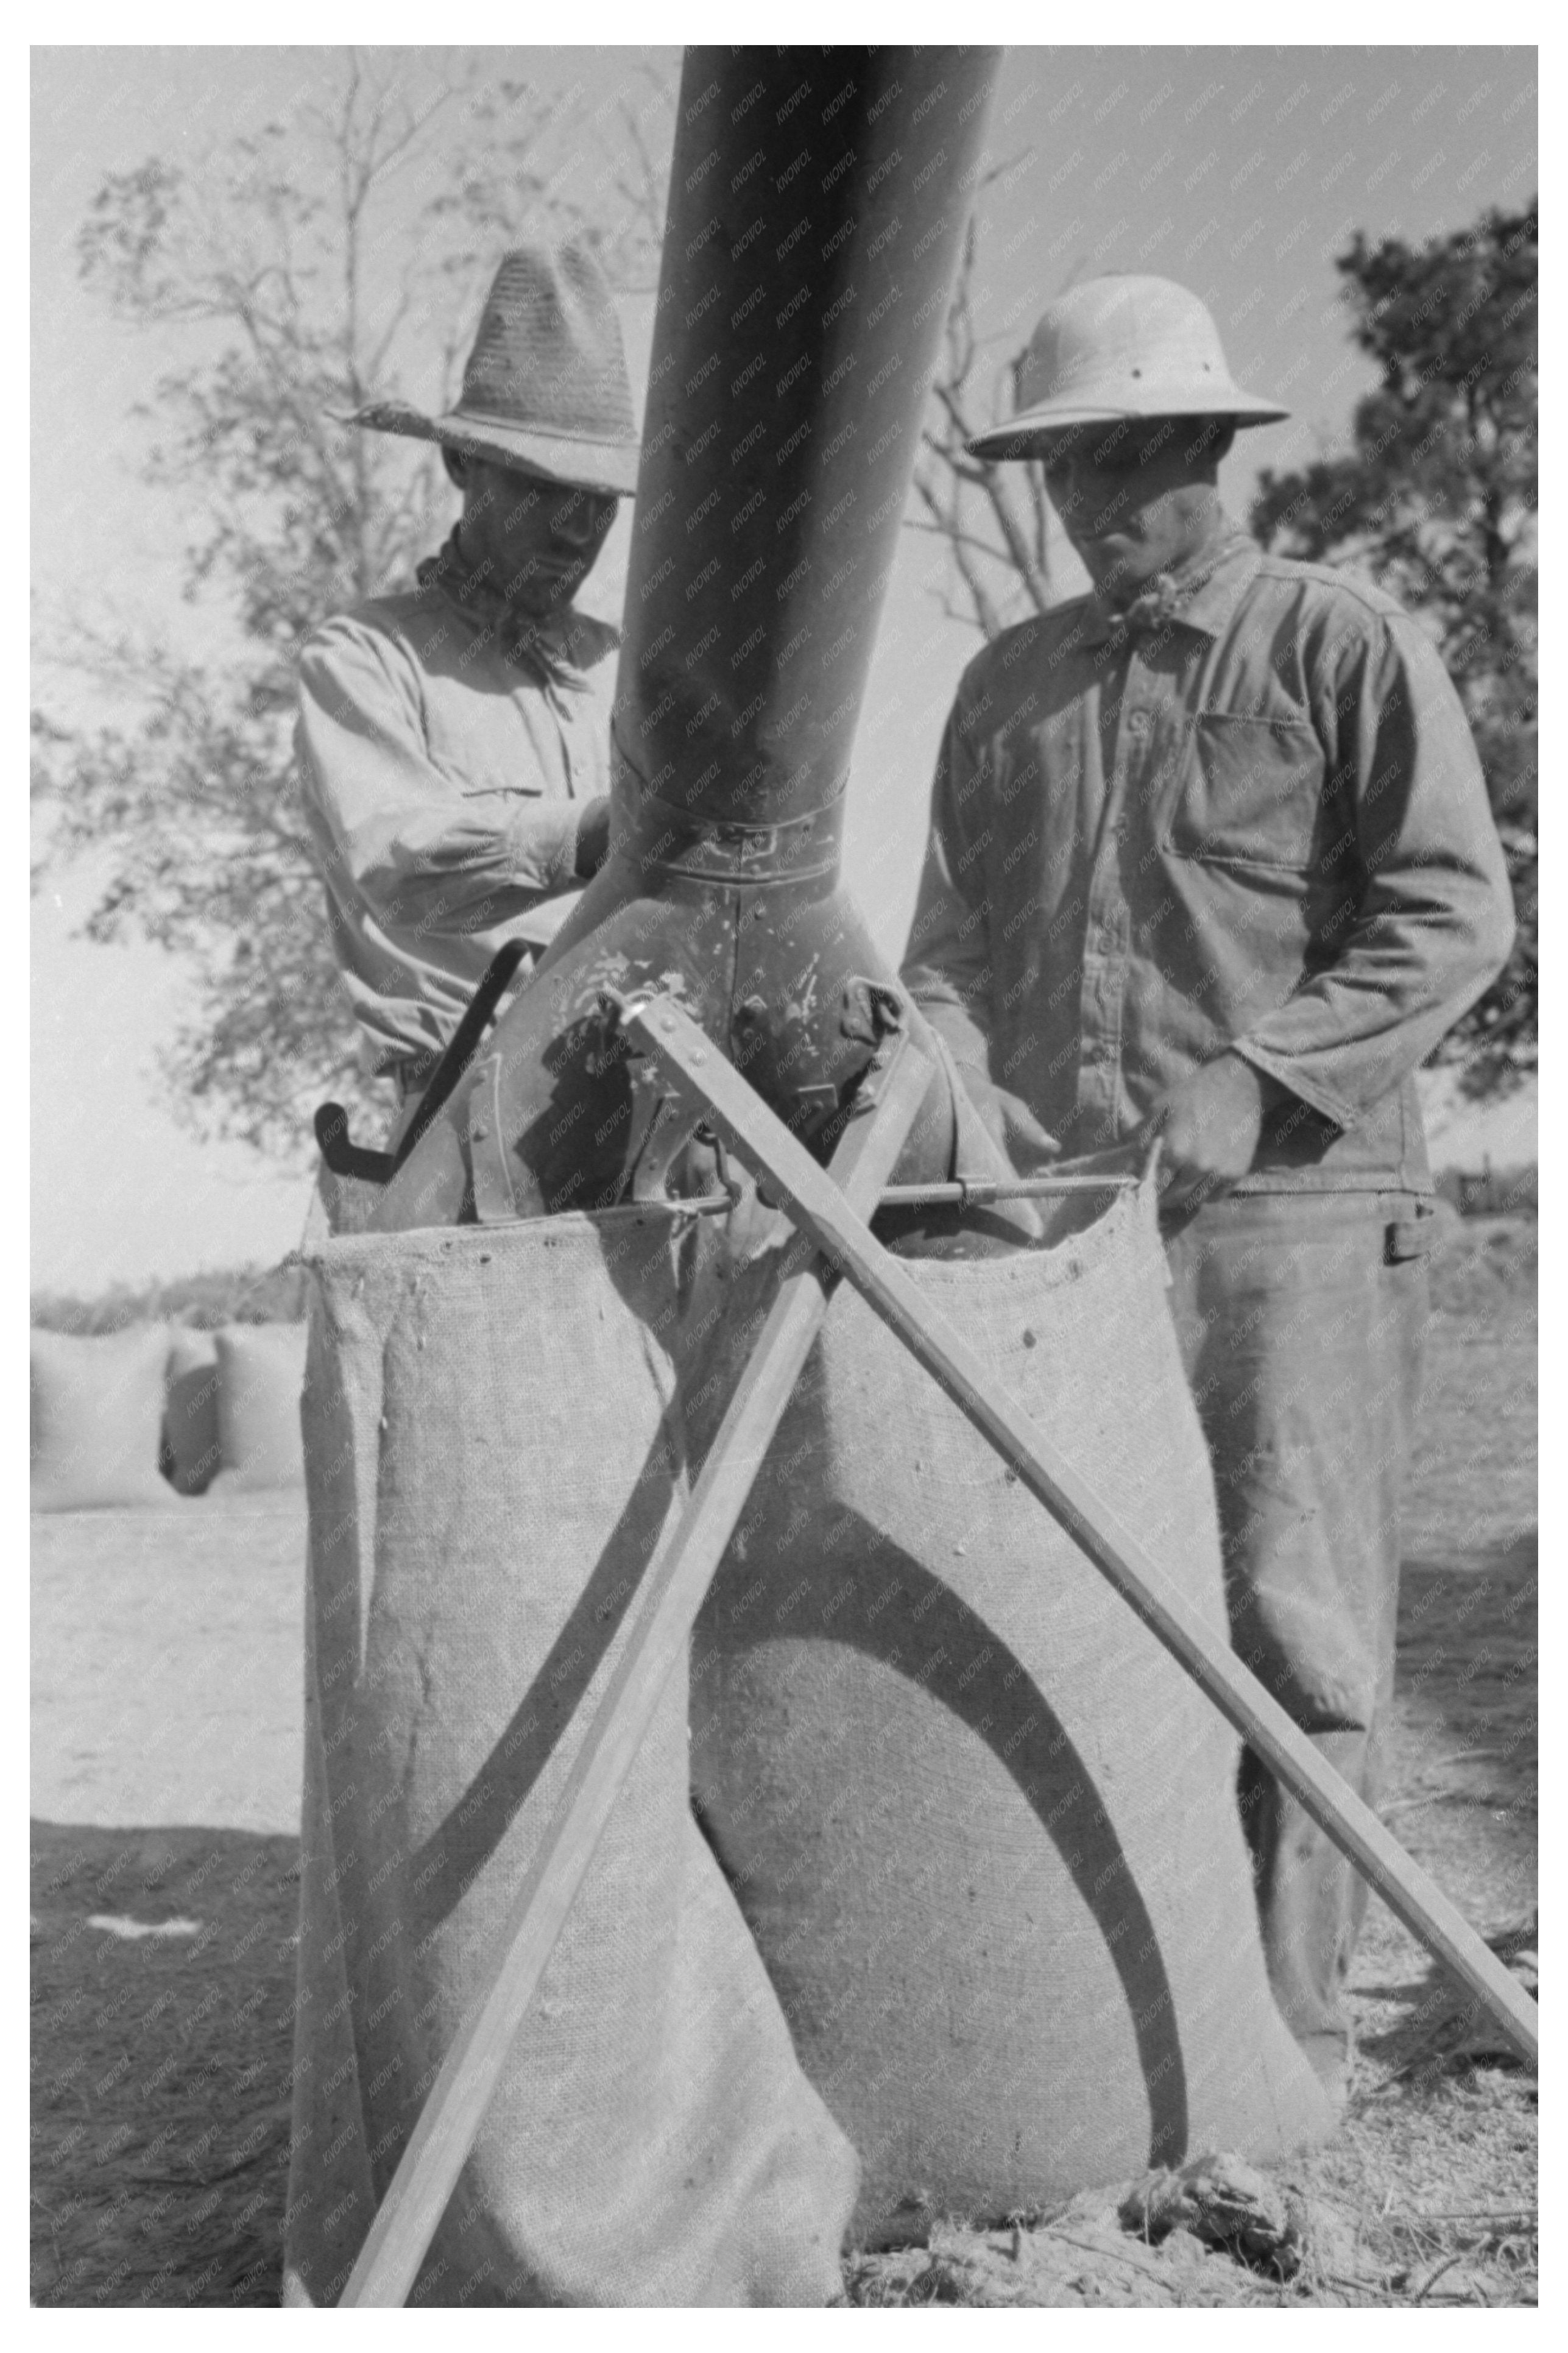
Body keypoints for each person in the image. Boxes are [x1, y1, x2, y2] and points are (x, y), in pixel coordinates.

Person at [901, 273, 1516, 2099]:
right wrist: (924, 1102)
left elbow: (1450, 915)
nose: (1097, 500)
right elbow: (947, 959)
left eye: (1131, 458)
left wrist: (1262, 1079)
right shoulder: (1003, 690)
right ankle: (1127, 2042)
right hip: (1069, 1234)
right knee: (1097, 1615)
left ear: (1205, 450)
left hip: (1298, 1220)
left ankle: (1286, 2064)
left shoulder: (1335, 644)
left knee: (1292, 1628)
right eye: (1064, 467)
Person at [296, 240, 639, 1126]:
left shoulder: (634, 670)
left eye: (598, 498)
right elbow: (400, 864)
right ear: (461, 467)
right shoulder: (366, 658)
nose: (575, 527)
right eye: (540, 487)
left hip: (657, 1107)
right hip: (461, 1122)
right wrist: (601, 832)